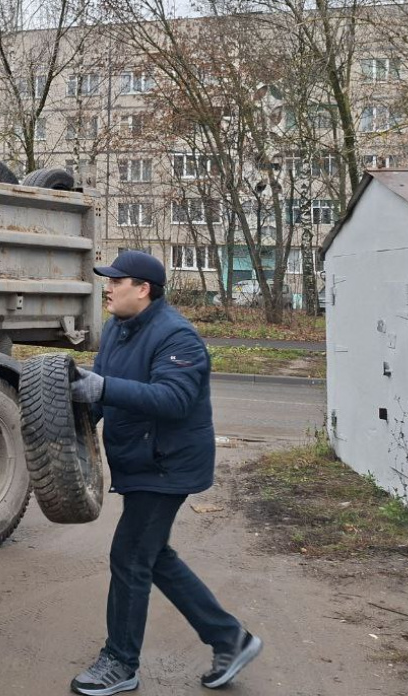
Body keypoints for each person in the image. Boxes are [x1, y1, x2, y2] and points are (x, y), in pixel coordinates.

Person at [67, 250, 262, 695]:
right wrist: (76, 411)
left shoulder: (178, 338)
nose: (108, 287)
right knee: (154, 556)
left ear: (144, 289)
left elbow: (172, 400)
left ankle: (120, 662)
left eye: (118, 281)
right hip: (139, 459)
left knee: (131, 555)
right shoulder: (117, 329)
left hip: (167, 464)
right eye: (108, 280)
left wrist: (105, 387)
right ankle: (230, 638)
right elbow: (104, 391)